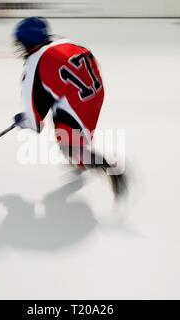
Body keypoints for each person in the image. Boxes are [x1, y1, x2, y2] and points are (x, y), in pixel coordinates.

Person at [12, 17, 127, 199]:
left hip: (76, 105)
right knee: (74, 138)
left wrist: (23, 119)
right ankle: (81, 161)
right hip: (94, 93)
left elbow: (35, 124)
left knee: (68, 147)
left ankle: (111, 169)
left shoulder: (34, 66)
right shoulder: (66, 42)